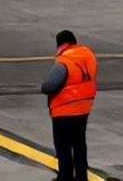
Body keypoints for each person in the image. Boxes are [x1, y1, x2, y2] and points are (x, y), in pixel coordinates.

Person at [43, 29, 97, 181]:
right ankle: (81, 176)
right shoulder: (89, 55)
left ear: (61, 44)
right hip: (84, 108)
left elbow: (50, 86)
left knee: (63, 146)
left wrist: (43, 87)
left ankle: (65, 177)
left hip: (64, 110)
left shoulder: (64, 60)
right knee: (80, 144)